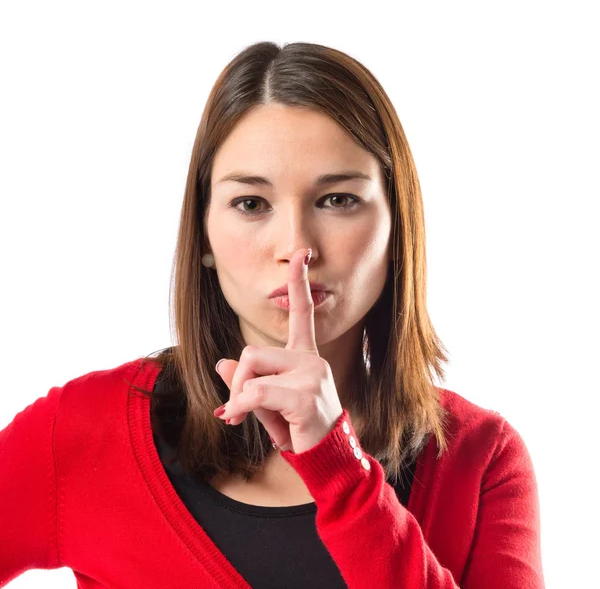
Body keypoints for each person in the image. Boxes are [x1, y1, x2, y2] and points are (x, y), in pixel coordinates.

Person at [0, 41, 545, 588]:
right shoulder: (81, 430)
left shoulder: (481, 461)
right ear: (204, 235)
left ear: (396, 226)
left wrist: (337, 464)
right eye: (251, 204)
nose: (297, 247)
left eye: (337, 199)